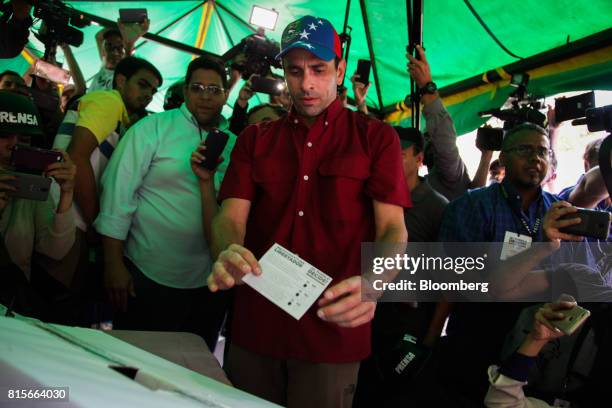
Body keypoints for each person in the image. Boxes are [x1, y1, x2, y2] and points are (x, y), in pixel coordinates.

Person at [207, 15, 410, 407]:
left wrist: (375, 282)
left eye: (318, 69)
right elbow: (230, 217)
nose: (307, 84)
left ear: (340, 69)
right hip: (256, 324)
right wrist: (227, 248)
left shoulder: (376, 138)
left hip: (333, 329)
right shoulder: (255, 139)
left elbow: (393, 230)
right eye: (295, 71)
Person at [94, 57, 236, 351]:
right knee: (133, 365)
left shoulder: (235, 144)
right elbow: (117, 196)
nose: (206, 96)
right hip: (147, 274)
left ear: (226, 94)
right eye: (197, 87)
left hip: (209, 282)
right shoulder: (153, 128)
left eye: (214, 89)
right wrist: (112, 264)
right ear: (185, 91)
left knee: (192, 371)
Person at [0, 91, 76, 279]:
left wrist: (67, 194)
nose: (14, 144)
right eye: (5, 134)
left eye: (24, 137)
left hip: (12, 297)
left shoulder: (31, 182)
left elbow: (54, 250)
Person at [407, 45, 493, 200]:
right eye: (427, 138)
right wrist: (486, 156)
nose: (431, 140)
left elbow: (443, 138)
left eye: (430, 136)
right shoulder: (428, 182)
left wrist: (427, 88)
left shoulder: (450, 172)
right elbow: (475, 193)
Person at [89, 19, 149, 92]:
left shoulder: (123, 74)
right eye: (110, 45)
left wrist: (128, 47)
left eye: (120, 47)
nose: (115, 51)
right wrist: (118, 25)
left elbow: (127, 62)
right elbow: (98, 37)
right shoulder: (104, 63)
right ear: (103, 50)